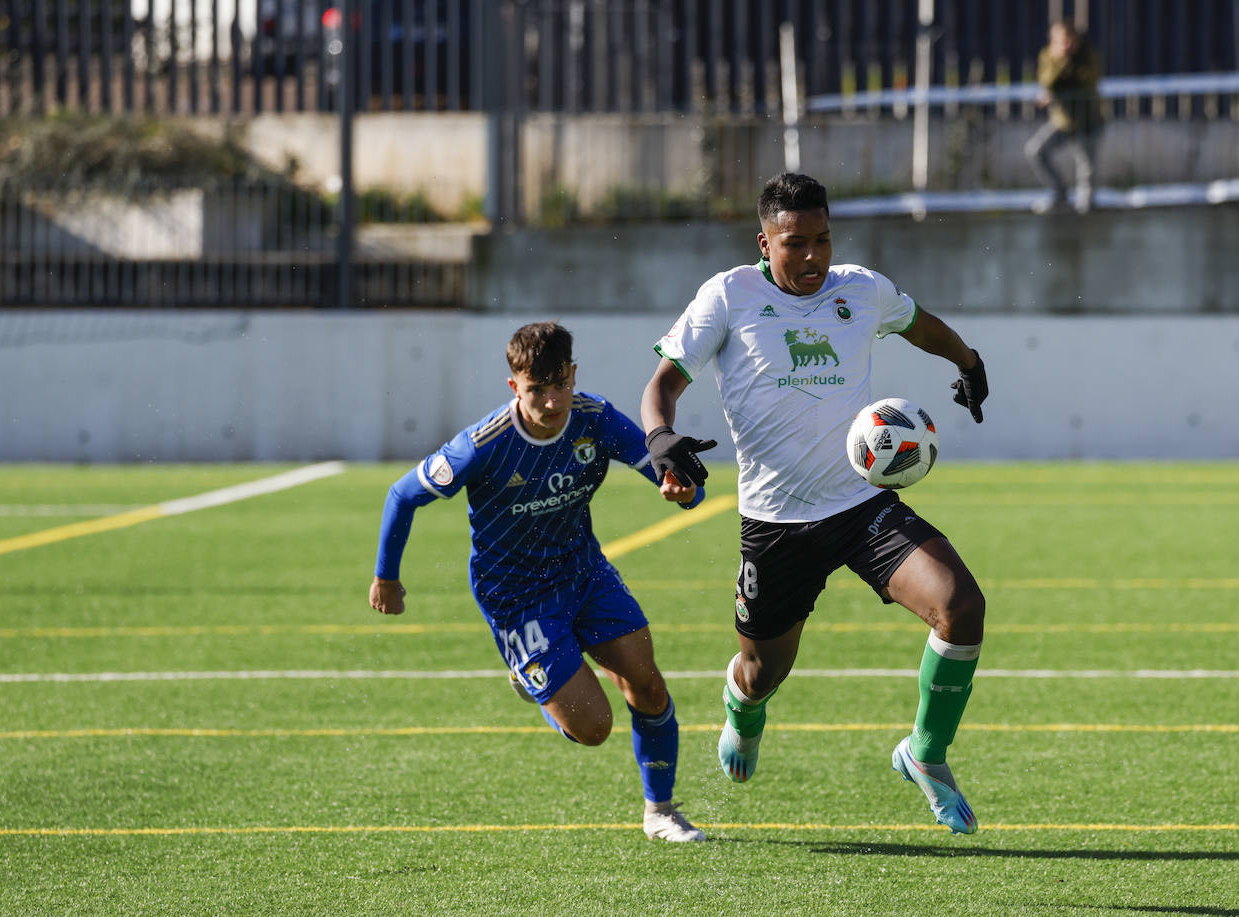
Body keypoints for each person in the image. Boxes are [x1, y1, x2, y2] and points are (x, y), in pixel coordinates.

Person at [640, 173, 989, 835]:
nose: (811, 257)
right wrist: (661, 437)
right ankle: (743, 708)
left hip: (861, 507)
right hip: (774, 526)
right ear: (764, 242)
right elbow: (661, 385)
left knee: (961, 605)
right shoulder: (729, 296)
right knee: (762, 670)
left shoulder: (861, 289)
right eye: (794, 243)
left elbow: (919, 325)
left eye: (822, 240)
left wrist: (969, 362)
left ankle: (925, 753)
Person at [370, 321, 708, 842]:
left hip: (584, 571)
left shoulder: (595, 420)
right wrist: (386, 578)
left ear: (573, 374)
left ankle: (659, 811)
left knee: (649, 683)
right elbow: (401, 495)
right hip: (517, 598)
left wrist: (681, 490)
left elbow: (682, 485)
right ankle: (530, 674)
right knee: (594, 729)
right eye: (536, 390)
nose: (551, 402)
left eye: (560, 385)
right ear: (514, 387)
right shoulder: (483, 446)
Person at [1025, 18, 1103, 214]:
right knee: (1036, 151)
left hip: (1088, 120)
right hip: (1063, 121)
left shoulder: (1087, 56)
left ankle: (1086, 210)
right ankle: (1059, 194)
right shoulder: (1049, 55)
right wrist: (1061, 60)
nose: (1066, 45)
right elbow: (1047, 82)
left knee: (1086, 170)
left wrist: (1069, 64)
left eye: (1069, 41)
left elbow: (1087, 81)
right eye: (1061, 41)